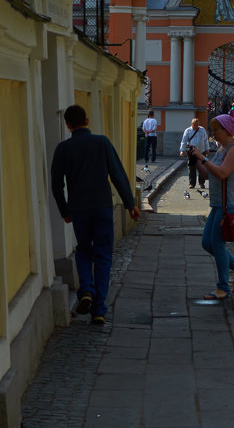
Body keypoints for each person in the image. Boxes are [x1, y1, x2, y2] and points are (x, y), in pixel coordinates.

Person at [51, 105, 140, 325]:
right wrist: (130, 204)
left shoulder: (63, 149)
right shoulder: (102, 143)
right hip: (102, 206)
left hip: (79, 209)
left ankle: (87, 290)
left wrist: (64, 210)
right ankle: (99, 309)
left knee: (83, 250)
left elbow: (56, 185)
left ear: (68, 125)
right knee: (103, 255)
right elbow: (118, 175)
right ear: (87, 120)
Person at [186, 113, 234, 301]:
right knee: (207, 242)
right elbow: (208, 175)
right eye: (212, 129)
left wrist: (203, 158)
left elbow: (222, 173)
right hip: (218, 203)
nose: (213, 133)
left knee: (217, 243)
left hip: (229, 203)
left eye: (216, 129)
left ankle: (223, 287)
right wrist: (196, 161)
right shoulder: (222, 149)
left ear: (227, 131)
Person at [179, 117, 209, 192]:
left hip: (201, 151)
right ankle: (192, 183)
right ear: (192, 124)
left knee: (202, 167)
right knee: (192, 167)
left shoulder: (202, 130)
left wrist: (207, 149)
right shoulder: (188, 131)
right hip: (192, 152)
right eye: (195, 125)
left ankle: (202, 183)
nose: (196, 126)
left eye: (197, 125)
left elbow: (206, 140)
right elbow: (184, 141)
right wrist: (182, 150)